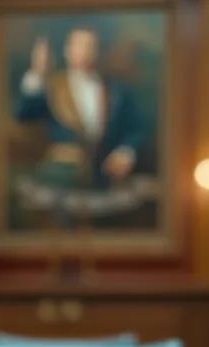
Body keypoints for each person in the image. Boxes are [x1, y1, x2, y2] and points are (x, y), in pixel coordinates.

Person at [11, 27, 152, 228]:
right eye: (77, 45)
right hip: (59, 180)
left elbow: (139, 128)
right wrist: (37, 73)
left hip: (102, 180)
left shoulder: (116, 90)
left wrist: (126, 151)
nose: (83, 52)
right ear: (67, 50)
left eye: (89, 46)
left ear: (98, 52)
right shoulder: (52, 86)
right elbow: (22, 114)